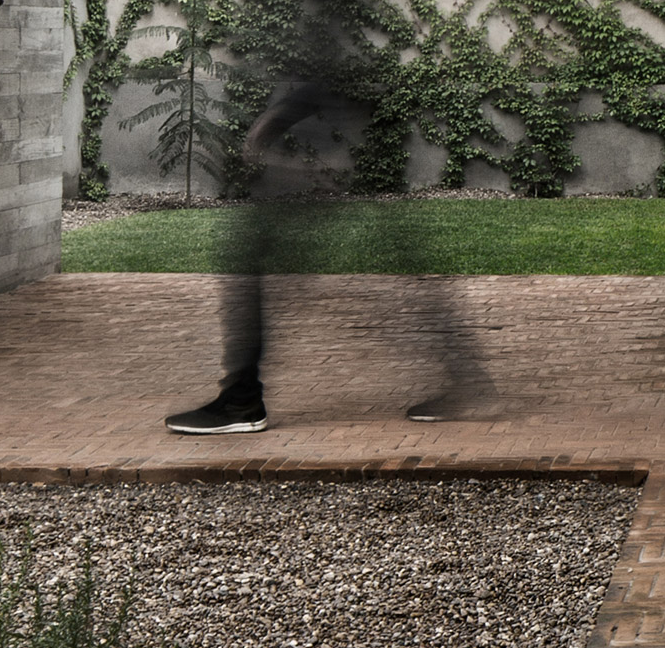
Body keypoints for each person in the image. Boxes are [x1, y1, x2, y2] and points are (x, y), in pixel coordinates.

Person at [163, 58, 486, 434]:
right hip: (334, 136)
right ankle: (471, 381)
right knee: (396, 272)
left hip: (330, 139)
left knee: (253, 259)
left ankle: (241, 400)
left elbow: (334, 64)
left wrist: (281, 120)